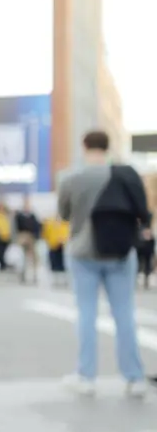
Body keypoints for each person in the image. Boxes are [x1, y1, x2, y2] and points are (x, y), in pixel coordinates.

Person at [57, 129, 150, 399]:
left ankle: (86, 377)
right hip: (121, 251)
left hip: (84, 253)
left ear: (84, 146)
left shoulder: (72, 178)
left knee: (86, 314)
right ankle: (134, 377)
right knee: (124, 314)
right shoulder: (125, 174)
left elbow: (64, 214)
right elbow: (141, 210)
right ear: (108, 147)